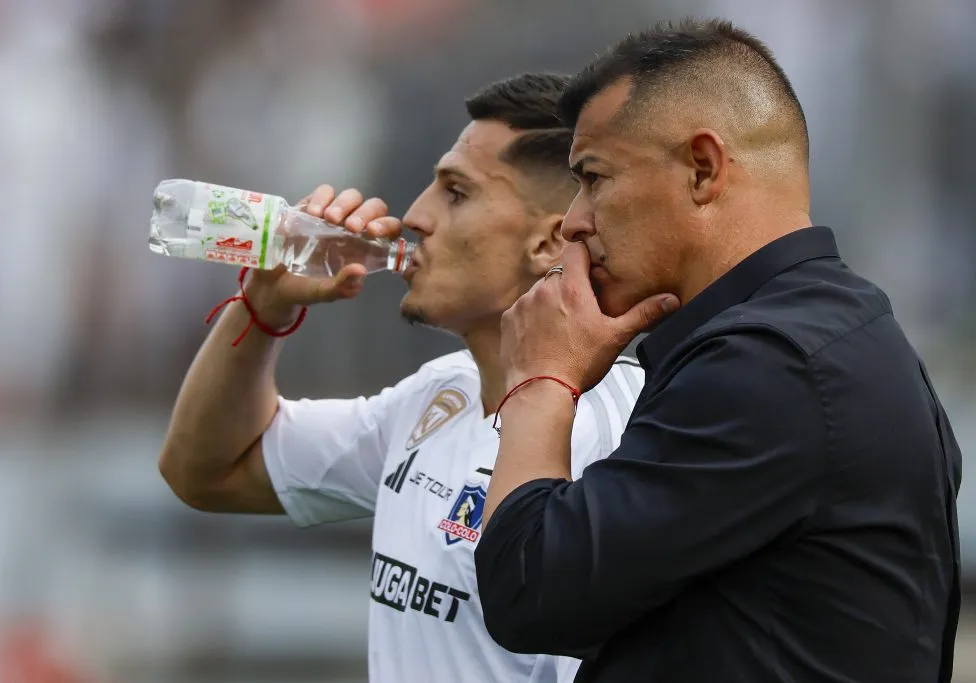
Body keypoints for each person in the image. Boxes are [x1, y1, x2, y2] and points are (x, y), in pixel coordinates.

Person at [474, 19, 962, 683]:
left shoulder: (769, 365)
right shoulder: (822, 334)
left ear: (703, 168)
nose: (573, 221)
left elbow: (526, 589)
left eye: (592, 176)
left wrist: (540, 379)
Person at [157, 73, 646, 683]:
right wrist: (264, 308)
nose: (414, 215)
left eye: (457, 193)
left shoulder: (619, 436)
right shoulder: (438, 396)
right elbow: (206, 471)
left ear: (549, 241)